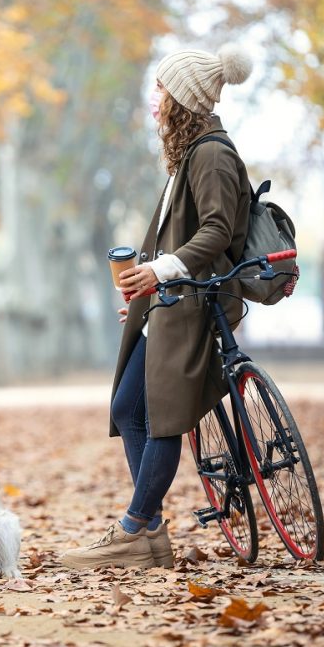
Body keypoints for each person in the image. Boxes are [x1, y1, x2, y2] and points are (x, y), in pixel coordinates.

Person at [62, 45, 254, 570]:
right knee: (128, 408)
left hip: (195, 300)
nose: (155, 99)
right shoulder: (191, 152)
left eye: (162, 89)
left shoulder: (212, 153)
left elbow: (215, 230)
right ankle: (148, 528)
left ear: (184, 99)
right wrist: (149, 286)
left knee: (164, 417)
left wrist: (161, 271)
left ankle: (134, 530)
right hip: (173, 299)